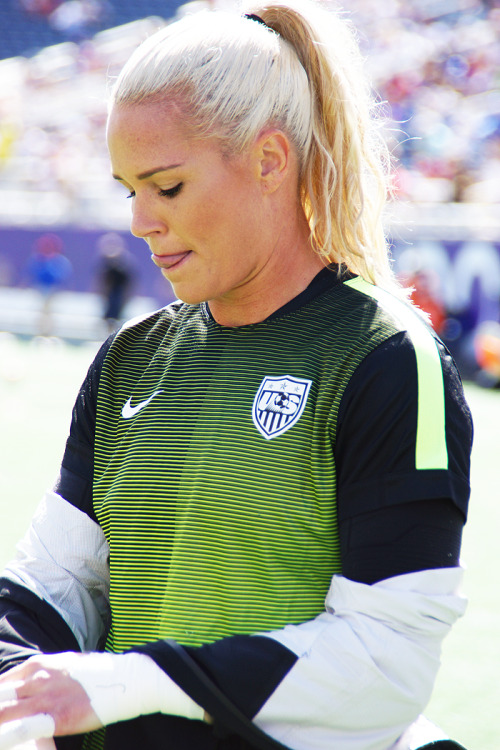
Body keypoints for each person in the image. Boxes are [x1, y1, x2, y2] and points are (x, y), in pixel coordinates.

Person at [0, 3, 473, 750]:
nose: (140, 221)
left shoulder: (384, 356)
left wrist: (119, 686)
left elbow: (383, 663)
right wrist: (18, 696)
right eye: (131, 190)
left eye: (168, 187)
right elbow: (46, 589)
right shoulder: (130, 356)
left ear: (269, 160)